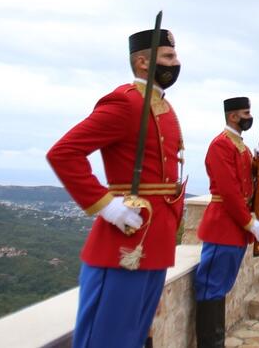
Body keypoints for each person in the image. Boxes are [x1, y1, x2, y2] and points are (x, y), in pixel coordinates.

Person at [46, 28, 186, 348]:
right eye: (168, 57)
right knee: (107, 339)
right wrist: (106, 205)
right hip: (126, 244)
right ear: (141, 62)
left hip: (155, 240)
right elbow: (63, 153)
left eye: (175, 56)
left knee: (132, 337)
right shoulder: (125, 103)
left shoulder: (162, 106)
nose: (175, 63)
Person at [194, 97, 259, 348]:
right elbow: (228, 191)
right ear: (232, 116)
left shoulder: (240, 145)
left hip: (235, 227)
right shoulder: (221, 145)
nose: (249, 117)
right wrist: (250, 222)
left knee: (221, 286)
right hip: (223, 225)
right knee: (211, 288)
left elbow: (250, 182)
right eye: (245, 113)